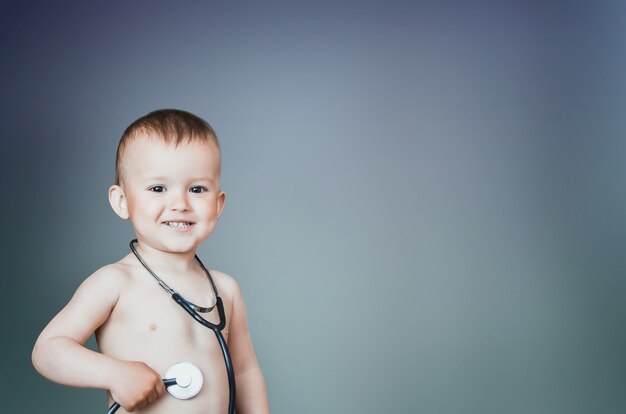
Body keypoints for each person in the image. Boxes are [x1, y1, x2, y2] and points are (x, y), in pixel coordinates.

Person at [31, 109, 270, 413]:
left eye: (197, 189)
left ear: (218, 204)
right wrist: (114, 373)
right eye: (158, 188)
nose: (180, 204)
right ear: (122, 201)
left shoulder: (226, 289)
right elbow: (48, 351)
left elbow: (245, 371)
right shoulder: (115, 281)